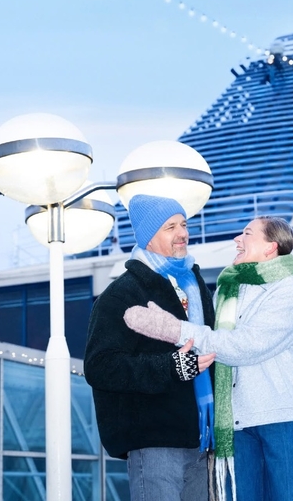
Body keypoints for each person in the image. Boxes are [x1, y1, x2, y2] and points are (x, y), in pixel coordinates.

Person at [124, 216, 293, 501]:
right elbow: (209, 342)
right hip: (236, 422)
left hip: (281, 417)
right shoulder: (227, 290)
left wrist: (176, 329)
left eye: (247, 234)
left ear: (271, 247)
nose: (237, 239)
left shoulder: (288, 289)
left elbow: (245, 346)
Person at [84, 195, 217, 501]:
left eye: (184, 224)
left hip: (201, 437)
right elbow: (100, 366)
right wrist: (171, 367)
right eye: (171, 227)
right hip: (154, 440)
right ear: (148, 237)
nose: (182, 233)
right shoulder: (121, 294)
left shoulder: (195, 286)